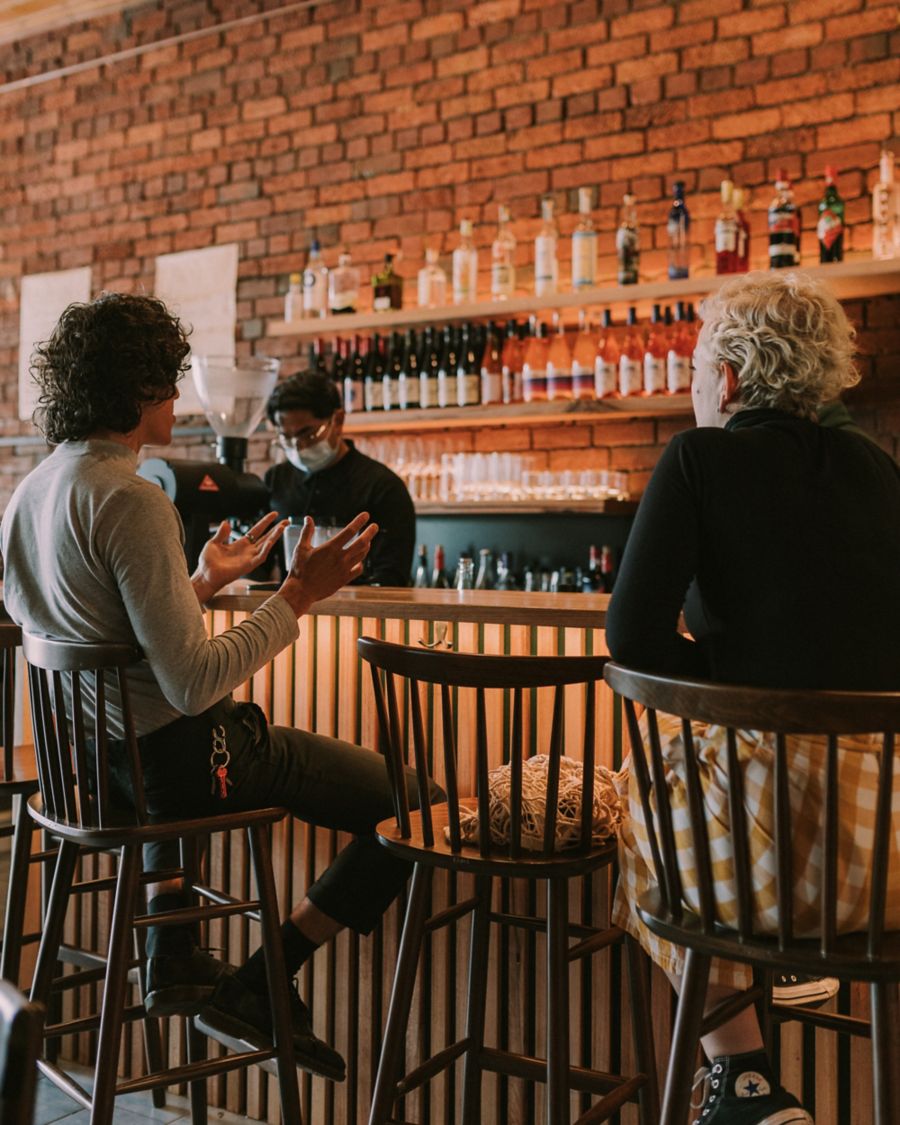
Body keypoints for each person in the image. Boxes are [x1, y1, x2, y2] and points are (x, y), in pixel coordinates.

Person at [0, 293, 441, 1083]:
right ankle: (263, 976)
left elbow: (98, 636)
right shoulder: (132, 499)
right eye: (168, 383)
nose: (176, 399)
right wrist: (296, 594)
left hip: (93, 775)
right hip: (180, 764)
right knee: (423, 807)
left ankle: (174, 946)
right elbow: (194, 682)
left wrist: (195, 585)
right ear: (138, 390)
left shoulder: (31, 493)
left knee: (201, 743)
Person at [606, 272, 900, 1125]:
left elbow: (633, 638)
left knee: (641, 797)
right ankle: (784, 1000)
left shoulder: (700, 457)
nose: (695, 386)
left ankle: (742, 1075)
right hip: (885, 852)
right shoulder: (883, 472)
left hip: (767, 861)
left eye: (699, 368)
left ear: (728, 378)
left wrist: (737, 682)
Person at [264, 371, 416, 586]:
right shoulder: (275, 479)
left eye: (308, 434)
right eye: (286, 438)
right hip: (287, 613)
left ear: (338, 420)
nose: (299, 447)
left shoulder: (383, 486)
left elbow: (392, 578)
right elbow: (258, 567)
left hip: (359, 614)